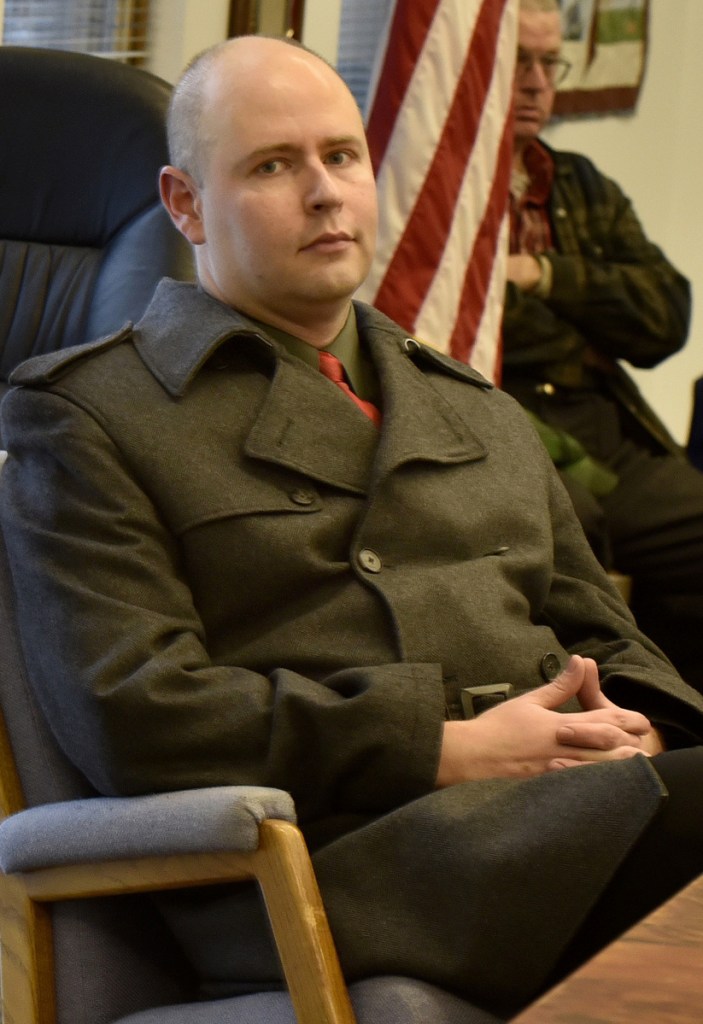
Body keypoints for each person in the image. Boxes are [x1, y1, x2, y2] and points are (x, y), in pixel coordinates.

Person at [2, 33, 703, 1021]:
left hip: (562, 812)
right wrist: (444, 746)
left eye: (339, 156)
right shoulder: (92, 415)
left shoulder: (473, 406)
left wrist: (636, 723)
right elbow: (141, 713)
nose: (325, 192)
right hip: (331, 862)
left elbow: (612, 635)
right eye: (273, 167)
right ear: (184, 204)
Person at [503, 0, 703, 692]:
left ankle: (681, 726)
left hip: (605, 420)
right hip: (510, 420)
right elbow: (481, 333)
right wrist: (592, 314)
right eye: (516, 61)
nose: (535, 82)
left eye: (546, 62)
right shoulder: (438, 196)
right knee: (571, 540)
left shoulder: (579, 182)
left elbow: (664, 318)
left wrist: (542, 274)